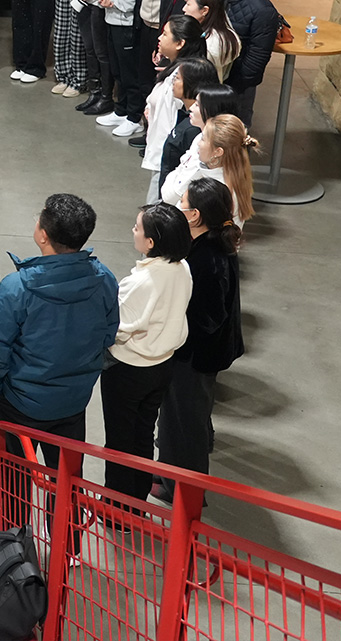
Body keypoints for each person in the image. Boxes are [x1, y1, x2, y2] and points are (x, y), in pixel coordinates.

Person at [0, 193, 118, 519]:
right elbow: (109, 335)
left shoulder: (17, 288)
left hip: (18, 403)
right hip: (72, 404)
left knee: (12, 478)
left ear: (43, 234)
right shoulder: (104, 280)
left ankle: (12, 543)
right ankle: (66, 547)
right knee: (67, 481)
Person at [156, 178, 244, 498]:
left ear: (194, 216)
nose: (178, 206)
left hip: (194, 357)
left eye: (183, 202)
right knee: (186, 417)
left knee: (185, 422)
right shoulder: (211, 245)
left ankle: (185, 492)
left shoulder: (206, 260)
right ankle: (168, 474)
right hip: (203, 353)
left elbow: (208, 316)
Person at [99, 203, 193, 501]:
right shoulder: (182, 269)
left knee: (119, 441)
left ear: (151, 242)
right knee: (142, 436)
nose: (133, 231)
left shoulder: (140, 282)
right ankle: (137, 501)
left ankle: (116, 509)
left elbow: (118, 326)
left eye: (137, 227)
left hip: (128, 370)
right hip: (163, 366)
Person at [93, 0, 154, 138]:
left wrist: (114, 1)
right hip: (110, 19)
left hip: (127, 24)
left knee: (130, 73)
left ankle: (134, 116)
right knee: (117, 69)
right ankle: (120, 110)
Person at [219, 0, 280, 126]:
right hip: (217, 74)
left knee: (232, 134)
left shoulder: (262, 10)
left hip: (238, 85)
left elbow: (257, 58)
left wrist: (234, 82)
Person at [144, 53, 217, 202]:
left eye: (177, 78)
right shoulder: (186, 116)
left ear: (192, 84)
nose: (173, 83)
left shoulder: (196, 129)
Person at [161, 114, 257, 225]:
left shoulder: (213, 189)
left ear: (218, 152)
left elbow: (169, 198)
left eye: (203, 139)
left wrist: (188, 169)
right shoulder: (234, 173)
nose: (198, 143)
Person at [158, 83, 240, 205]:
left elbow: (171, 196)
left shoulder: (206, 157)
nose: (191, 108)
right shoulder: (199, 138)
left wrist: (172, 179)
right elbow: (178, 170)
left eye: (197, 104)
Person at [183, 0, 240, 82]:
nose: (184, 9)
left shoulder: (210, 44)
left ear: (204, 10)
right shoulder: (227, 33)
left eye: (188, 4)